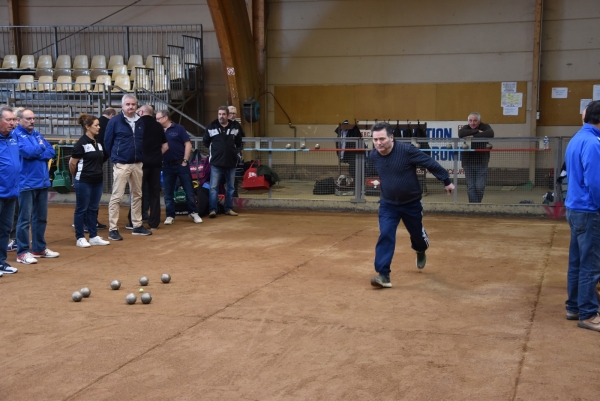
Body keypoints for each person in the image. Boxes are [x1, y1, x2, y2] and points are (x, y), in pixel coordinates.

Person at [368, 122, 454, 288]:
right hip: (388, 204)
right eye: (375, 139)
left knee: (417, 236)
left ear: (391, 137)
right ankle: (383, 275)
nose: (379, 143)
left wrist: (446, 181)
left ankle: (420, 249)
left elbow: (429, 163)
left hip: (411, 204)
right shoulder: (374, 155)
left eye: (382, 139)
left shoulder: (406, 151)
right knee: (385, 234)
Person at [564, 100, 600, 332]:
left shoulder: (576, 138)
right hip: (590, 210)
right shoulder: (594, 143)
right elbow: (595, 182)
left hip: (575, 208)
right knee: (591, 264)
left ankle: (574, 306)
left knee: (577, 261)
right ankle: (588, 313)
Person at [14, 108, 59, 264]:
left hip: (42, 182)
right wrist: (40, 149)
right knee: (24, 219)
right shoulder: (16, 135)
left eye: (33, 118)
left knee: (41, 218)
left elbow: (51, 152)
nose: (32, 121)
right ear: (19, 120)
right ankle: (22, 252)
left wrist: (38, 151)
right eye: (28, 119)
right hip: (26, 183)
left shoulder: (36, 134)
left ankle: (39, 248)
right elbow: (27, 153)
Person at [104, 94, 152, 240]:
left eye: (133, 104)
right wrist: (115, 158)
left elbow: (142, 141)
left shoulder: (140, 122)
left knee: (137, 195)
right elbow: (107, 142)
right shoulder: (115, 122)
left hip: (137, 163)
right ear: (122, 106)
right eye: (128, 104)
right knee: (117, 196)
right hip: (122, 163)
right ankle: (113, 228)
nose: (131, 107)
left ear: (137, 105)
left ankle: (137, 225)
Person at [69, 114, 110, 248]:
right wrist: (76, 178)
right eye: (96, 125)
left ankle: (93, 236)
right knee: (81, 209)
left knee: (93, 208)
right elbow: (72, 163)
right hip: (84, 181)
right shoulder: (81, 143)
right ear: (87, 127)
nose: (99, 127)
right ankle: (80, 237)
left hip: (97, 180)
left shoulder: (97, 142)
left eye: (99, 125)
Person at [155, 110, 202, 225]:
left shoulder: (179, 128)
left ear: (165, 117)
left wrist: (185, 160)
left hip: (181, 164)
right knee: (168, 192)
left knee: (189, 190)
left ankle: (193, 212)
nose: (157, 121)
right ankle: (170, 215)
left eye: (158, 118)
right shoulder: (158, 131)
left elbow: (188, 144)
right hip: (167, 165)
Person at [127, 105, 169, 229]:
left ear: (140, 112)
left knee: (137, 192)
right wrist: (156, 155)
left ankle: (133, 221)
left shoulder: (137, 124)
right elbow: (166, 146)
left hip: (141, 163)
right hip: (156, 163)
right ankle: (154, 222)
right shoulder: (158, 126)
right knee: (155, 193)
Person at [203, 106, 243, 218]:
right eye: (219, 114)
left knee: (230, 188)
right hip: (216, 163)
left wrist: (236, 152)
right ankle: (212, 210)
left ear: (227, 115)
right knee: (213, 187)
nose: (221, 116)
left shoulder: (235, 126)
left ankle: (228, 209)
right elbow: (206, 142)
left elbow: (239, 142)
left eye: (223, 114)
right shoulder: (211, 126)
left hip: (231, 163)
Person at [0, 106, 20, 275]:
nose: (12, 123)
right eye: (9, 120)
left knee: (5, 230)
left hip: (11, 192)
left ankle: (1, 262)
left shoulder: (13, 138)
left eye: (14, 120)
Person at [458, 112, 494, 203]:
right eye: (470, 120)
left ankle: (476, 205)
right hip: (468, 162)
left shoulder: (485, 127)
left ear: (479, 121)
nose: (472, 123)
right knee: (471, 186)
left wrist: (473, 136)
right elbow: (461, 133)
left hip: (482, 162)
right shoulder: (466, 128)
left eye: (475, 121)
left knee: (479, 187)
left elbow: (490, 133)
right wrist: (478, 132)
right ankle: (474, 207)